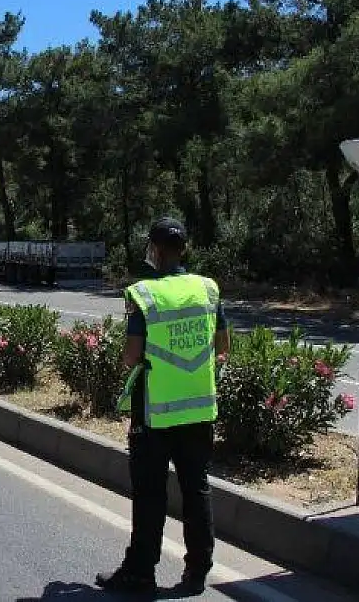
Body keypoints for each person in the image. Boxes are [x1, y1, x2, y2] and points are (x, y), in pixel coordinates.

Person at [96, 217, 231, 596]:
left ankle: (140, 573)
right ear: (184, 248)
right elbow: (222, 349)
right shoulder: (207, 290)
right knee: (196, 489)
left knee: (151, 494)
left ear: (154, 250)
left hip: (154, 414)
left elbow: (131, 357)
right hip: (200, 411)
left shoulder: (144, 294)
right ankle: (198, 571)